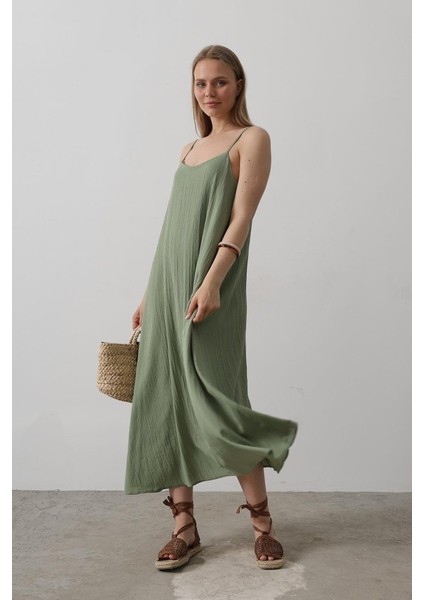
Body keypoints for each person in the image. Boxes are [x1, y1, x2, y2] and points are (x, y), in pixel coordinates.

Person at [125, 44, 298, 571]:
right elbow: (171, 228)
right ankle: (184, 526)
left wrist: (214, 282)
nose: (209, 92)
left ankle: (263, 526)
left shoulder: (252, 138)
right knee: (169, 400)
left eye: (220, 81)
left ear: (238, 84)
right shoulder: (189, 149)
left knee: (223, 401)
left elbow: (241, 218)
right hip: (169, 286)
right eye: (201, 83)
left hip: (211, 285)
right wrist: (149, 295)